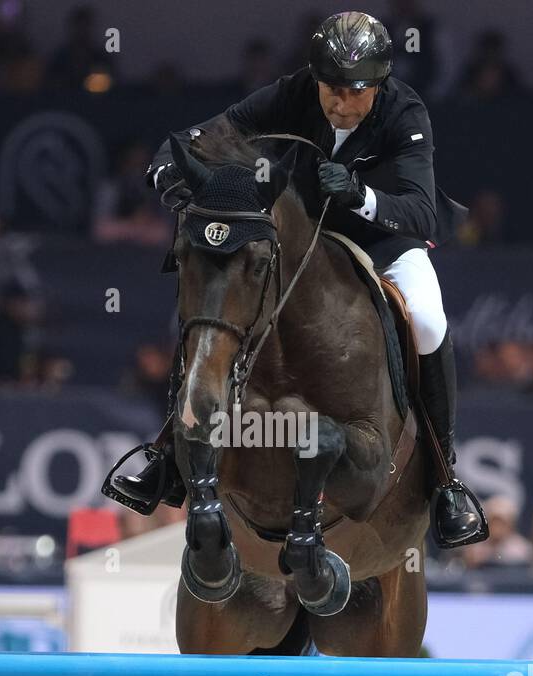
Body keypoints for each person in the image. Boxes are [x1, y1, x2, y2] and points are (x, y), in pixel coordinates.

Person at [104, 11, 485, 548]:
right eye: (331, 88)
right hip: (303, 237)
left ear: (377, 85)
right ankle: (168, 454)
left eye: (354, 92)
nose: (340, 103)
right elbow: (208, 134)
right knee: (220, 299)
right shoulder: (293, 93)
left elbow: (421, 212)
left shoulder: (405, 111)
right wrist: (167, 164)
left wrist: (361, 197)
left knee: (425, 318)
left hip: (384, 241)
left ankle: (446, 477)